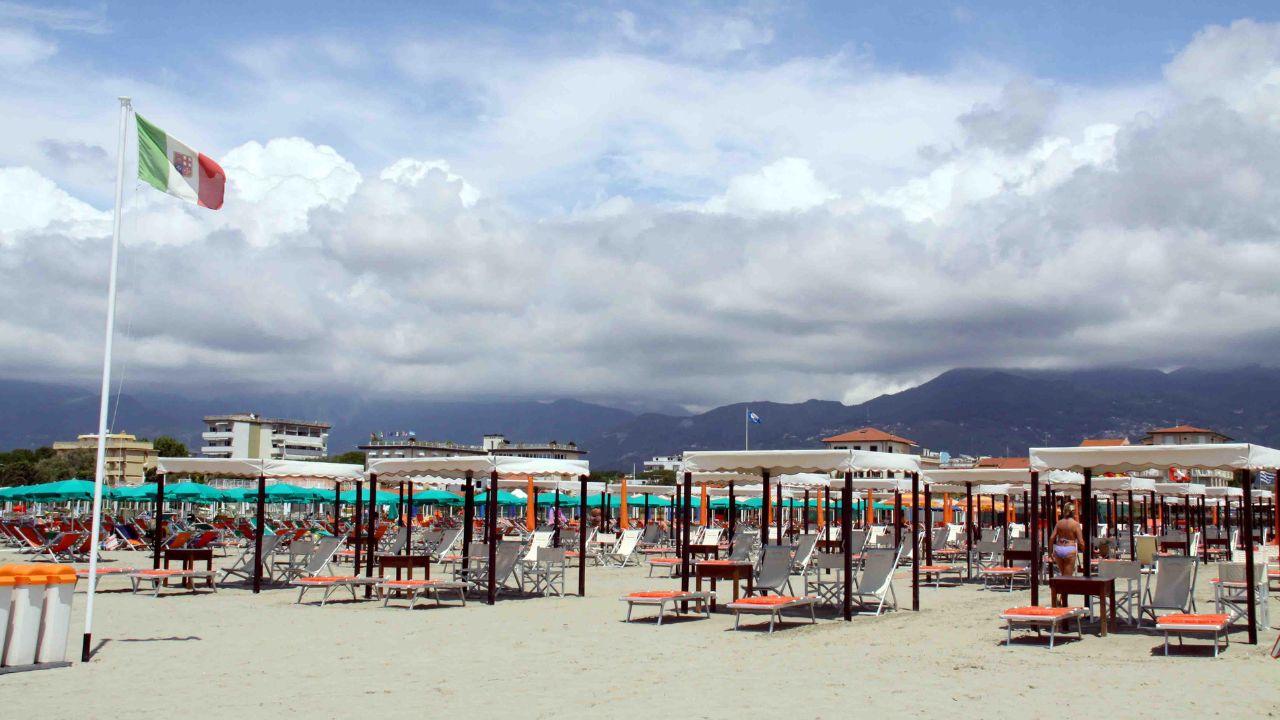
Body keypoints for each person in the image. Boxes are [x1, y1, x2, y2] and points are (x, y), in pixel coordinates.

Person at [1051, 502, 1084, 576]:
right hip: (1070, 549)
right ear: (1072, 512)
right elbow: (1081, 541)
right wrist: (1085, 552)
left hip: (1058, 548)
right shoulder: (1075, 524)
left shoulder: (1059, 523)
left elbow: (1052, 537)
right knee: (1068, 577)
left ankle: (1061, 587)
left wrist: (1050, 553)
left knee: (1063, 575)